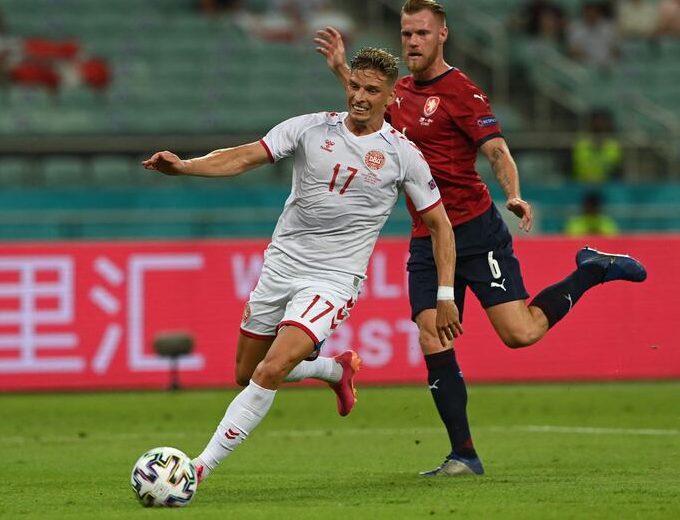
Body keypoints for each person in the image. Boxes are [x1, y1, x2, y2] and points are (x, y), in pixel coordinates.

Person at [314, 0, 647, 476]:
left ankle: (591, 270)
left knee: (521, 333)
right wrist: (341, 69)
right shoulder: (399, 92)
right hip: (428, 235)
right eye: (406, 33)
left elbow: (496, 151)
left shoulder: (462, 92)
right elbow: (366, 104)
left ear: (442, 34)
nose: (412, 41)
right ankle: (463, 455)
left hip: (475, 231)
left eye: (422, 33)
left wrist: (513, 194)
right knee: (431, 334)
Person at [142, 46, 462, 483]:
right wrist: (185, 167)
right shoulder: (309, 128)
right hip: (282, 266)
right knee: (245, 373)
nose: (360, 96)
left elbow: (441, 226)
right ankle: (333, 368)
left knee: (270, 370)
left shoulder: (402, 154)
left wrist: (446, 295)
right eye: (355, 85)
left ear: (391, 98)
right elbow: (242, 156)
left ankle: (199, 467)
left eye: (373, 90)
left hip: (333, 279)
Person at [572, 109, 622, 183]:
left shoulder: (613, 144)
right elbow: (579, 164)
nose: (599, 125)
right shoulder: (581, 143)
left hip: (606, 185)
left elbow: (614, 166)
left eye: (601, 122)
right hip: (583, 184)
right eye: (596, 122)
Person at [567, 1, 620, 69]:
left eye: (594, 13)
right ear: (584, 14)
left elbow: (615, 51)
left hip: (607, 65)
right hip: (585, 67)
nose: (591, 15)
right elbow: (574, 52)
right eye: (589, 13)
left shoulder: (609, 27)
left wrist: (610, 64)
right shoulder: (574, 27)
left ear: (599, 14)